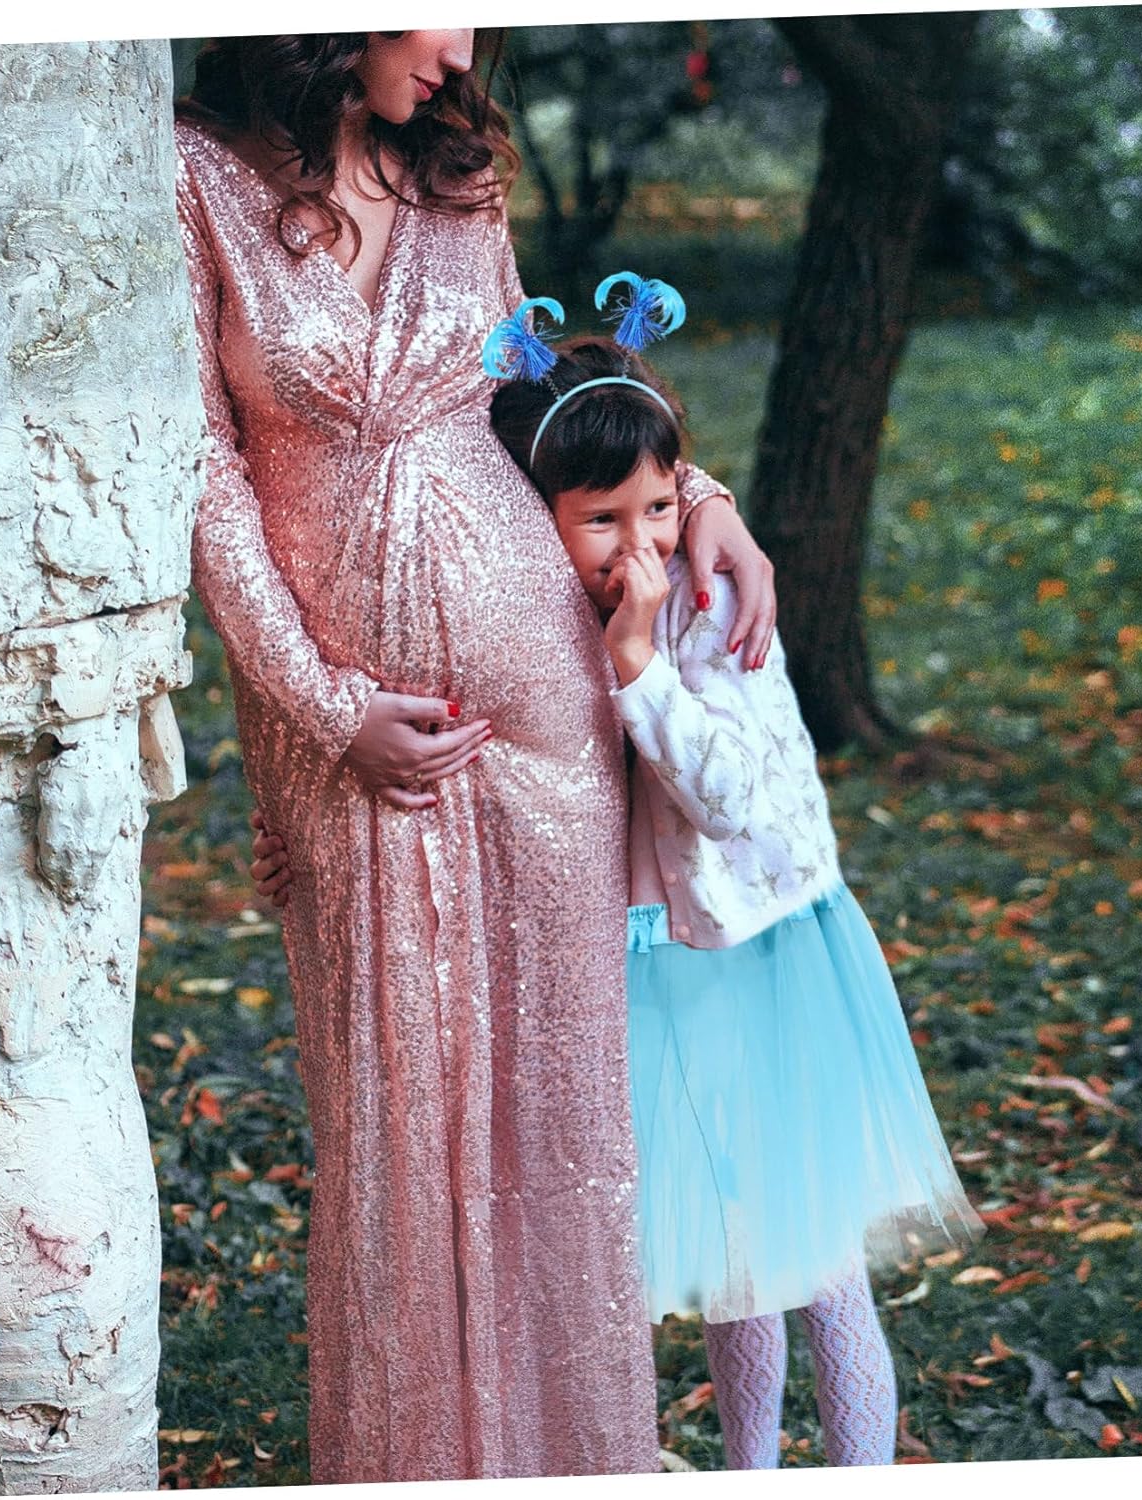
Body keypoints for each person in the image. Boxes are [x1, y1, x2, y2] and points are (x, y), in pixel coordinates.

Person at [172, 31, 777, 1485]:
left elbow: (532, 406)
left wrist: (700, 495)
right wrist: (326, 710)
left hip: (549, 718)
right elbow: (200, 469)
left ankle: (580, 1460)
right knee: (392, 1130)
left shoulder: (453, 168)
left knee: (561, 1122)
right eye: (441, 11)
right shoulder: (192, 178)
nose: (460, 51)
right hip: (362, 743)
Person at [486, 310, 985, 1469]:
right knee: (731, 1263)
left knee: (820, 1265)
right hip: (666, 960)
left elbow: (730, 799)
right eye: (601, 521)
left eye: (660, 508)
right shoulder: (559, 603)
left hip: (764, 959)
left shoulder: (706, 607)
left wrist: (640, 664)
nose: (639, 543)